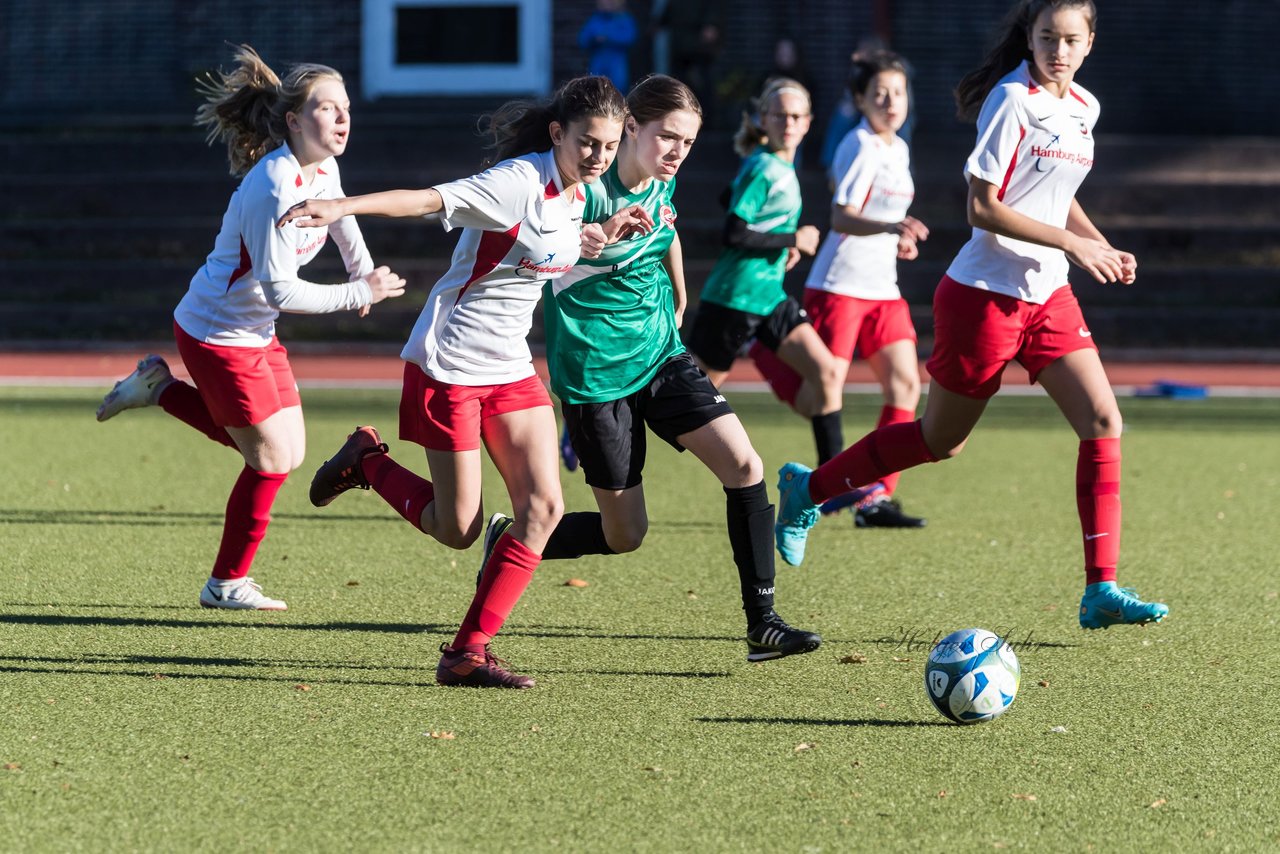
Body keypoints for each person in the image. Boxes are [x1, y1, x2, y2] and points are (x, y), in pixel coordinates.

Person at [771, 0, 1170, 631]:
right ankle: (807, 491)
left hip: (1049, 297)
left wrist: (1098, 241)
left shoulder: (1084, 108)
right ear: (1030, 39)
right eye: (1046, 38)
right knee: (939, 441)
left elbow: (1057, 200)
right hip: (983, 295)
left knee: (1102, 420)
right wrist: (1075, 245)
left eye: (1070, 40)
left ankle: (1101, 590)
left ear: (1090, 43)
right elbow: (982, 207)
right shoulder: (1012, 100)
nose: (1058, 51)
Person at [276, 76, 635, 688]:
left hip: (511, 367)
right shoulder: (517, 182)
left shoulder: (580, 193)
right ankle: (367, 462)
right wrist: (342, 205)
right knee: (459, 528)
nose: (599, 157)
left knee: (544, 509)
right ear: (557, 134)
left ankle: (466, 651)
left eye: (607, 146)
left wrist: (591, 241)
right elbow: (425, 200)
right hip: (451, 363)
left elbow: (537, 253)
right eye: (587, 144)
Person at [95, 46, 406, 611]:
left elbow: (342, 215)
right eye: (328, 108)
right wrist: (361, 292)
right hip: (216, 334)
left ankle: (158, 387)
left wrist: (362, 268)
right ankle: (225, 584)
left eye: (346, 108)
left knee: (286, 452)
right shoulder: (271, 187)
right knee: (267, 461)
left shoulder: (324, 167)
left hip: (254, 333)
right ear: (293, 120)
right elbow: (280, 290)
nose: (342, 119)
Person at [529, 74, 821, 662]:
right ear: (631, 127)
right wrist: (583, 239)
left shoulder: (662, 180)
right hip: (594, 374)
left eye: (686, 143)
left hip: (662, 353)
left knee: (744, 464)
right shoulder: (582, 187)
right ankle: (515, 539)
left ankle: (762, 624)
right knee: (624, 536)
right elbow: (550, 244)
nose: (677, 152)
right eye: (668, 138)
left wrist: (681, 291)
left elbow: (667, 229)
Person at [749, 50, 930, 529]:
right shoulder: (859, 144)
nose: (891, 102)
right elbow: (841, 216)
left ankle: (874, 498)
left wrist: (898, 239)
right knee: (820, 394)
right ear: (859, 100)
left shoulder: (900, 148)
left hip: (883, 288)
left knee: (907, 386)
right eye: (879, 94)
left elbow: (880, 221)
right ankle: (765, 348)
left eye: (899, 92)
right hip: (840, 286)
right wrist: (892, 226)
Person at [688, 77, 843, 439]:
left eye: (795, 117)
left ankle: (829, 487)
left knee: (827, 372)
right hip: (734, 297)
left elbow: (729, 198)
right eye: (779, 116)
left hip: (769, 297)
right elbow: (734, 231)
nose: (787, 124)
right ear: (762, 119)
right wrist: (794, 238)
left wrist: (781, 244)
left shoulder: (767, 162)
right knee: (688, 401)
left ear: (808, 122)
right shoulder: (764, 167)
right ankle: (601, 426)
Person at [578, 0, 638, 91]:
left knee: (618, 88)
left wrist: (608, 37)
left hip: (617, 61)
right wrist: (594, 40)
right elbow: (583, 40)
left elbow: (630, 37)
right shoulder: (594, 20)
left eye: (609, 2)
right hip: (598, 60)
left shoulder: (624, 19)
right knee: (595, 87)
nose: (606, 5)